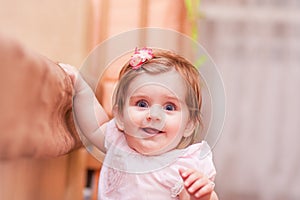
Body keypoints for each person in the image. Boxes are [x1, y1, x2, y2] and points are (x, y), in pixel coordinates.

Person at [60, 47, 218, 200]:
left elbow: (190, 195)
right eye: (142, 104)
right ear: (121, 117)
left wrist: (200, 196)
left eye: (169, 107)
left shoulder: (186, 166)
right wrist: (80, 88)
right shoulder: (118, 143)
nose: (154, 116)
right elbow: (94, 125)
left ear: (189, 124)